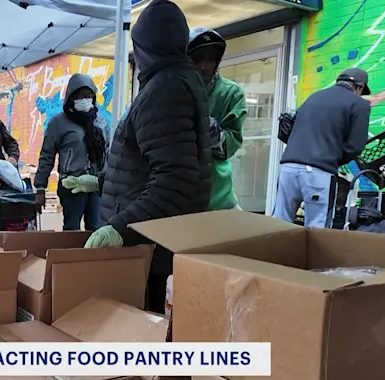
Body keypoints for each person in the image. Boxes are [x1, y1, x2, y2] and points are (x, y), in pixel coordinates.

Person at [86, 0, 212, 314]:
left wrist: (119, 227)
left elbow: (175, 182)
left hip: (147, 249)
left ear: (142, 47)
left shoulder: (164, 90)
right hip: (155, 241)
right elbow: (148, 164)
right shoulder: (178, 81)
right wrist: (99, 181)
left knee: (139, 329)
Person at [273, 67, 371, 228]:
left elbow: (291, 128)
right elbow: (356, 146)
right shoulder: (359, 104)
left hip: (288, 168)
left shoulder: (314, 97)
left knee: (279, 223)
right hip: (318, 173)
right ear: (358, 87)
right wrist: (334, 160)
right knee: (317, 229)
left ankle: (270, 253)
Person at [33, 74, 108, 230]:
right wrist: (41, 188)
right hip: (71, 185)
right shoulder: (58, 123)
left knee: (95, 229)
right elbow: (47, 156)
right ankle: (71, 255)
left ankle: (91, 256)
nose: (85, 99)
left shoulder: (100, 121)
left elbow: (108, 152)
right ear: (71, 97)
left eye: (89, 95)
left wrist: (108, 181)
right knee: (71, 230)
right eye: (81, 96)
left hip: (95, 184)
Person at [188, 27, 248, 211]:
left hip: (219, 197)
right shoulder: (172, 91)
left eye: (210, 59)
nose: (204, 66)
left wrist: (214, 132)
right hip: (178, 196)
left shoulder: (231, 93)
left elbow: (230, 146)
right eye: (197, 59)